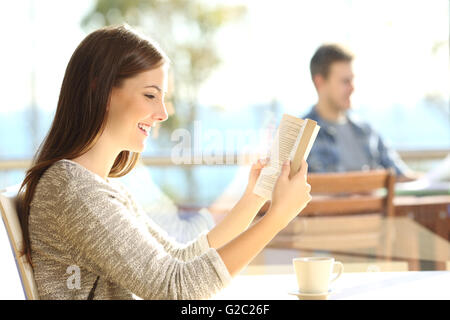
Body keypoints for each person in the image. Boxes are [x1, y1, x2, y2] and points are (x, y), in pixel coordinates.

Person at [17, 24, 312, 300]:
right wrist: (277, 219)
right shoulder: (75, 191)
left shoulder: (97, 188)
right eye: (150, 95)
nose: (162, 113)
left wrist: (255, 198)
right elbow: (174, 287)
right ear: (102, 90)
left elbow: (180, 259)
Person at [303, 44, 417, 181]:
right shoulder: (300, 136)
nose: (353, 88)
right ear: (320, 82)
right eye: (345, 81)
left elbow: (400, 175)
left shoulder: (367, 131)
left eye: (353, 80)